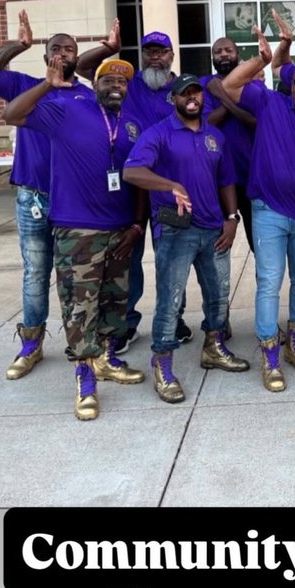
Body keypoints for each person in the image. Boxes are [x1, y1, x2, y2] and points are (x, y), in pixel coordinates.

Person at [0, 10, 120, 380]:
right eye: (55, 48)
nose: (62, 53)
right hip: (35, 198)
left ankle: (91, 348)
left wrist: (105, 50)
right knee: (36, 273)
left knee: (78, 280)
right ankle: (32, 343)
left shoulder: (88, 96)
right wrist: (18, 45)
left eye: (69, 49)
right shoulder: (25, 86)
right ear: (45, 55)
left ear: (76, 56)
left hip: (76, 203)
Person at [2, 58, 146, 420]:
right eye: (108, 80)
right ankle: (85, 375)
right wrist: (46, 85)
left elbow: (140, 177)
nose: (116, 85)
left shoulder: (131, 125)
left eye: (122, 81)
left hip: (120, 228)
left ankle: (106, 359)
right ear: (94, 85)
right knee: (80, 308)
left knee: (114, 301)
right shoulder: (66, 110)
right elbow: (12, 114)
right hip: (78, 227)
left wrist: (136, 226)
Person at [123, 75, 249, 404]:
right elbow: (132, 171)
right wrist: (171, 186)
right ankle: (162, 365)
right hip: (175, 231)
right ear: (173, 99)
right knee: (170, 301)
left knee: (218, 296)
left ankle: (213, 348)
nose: (192, 98)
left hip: (213, 229)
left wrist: (232, 218)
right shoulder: (158, 133)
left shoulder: (214, 136)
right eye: (184, 94)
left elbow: (226, 180)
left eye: (196, 93)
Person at [221, 29, 295, 392]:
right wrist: (261, 61)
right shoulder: (271, 104)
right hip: (268, 211)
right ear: (290, 84)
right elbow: (230, 86)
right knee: (269, 282)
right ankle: (269, 354)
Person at [119, 30, 192, 349]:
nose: (155, 57)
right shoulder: (129, 84)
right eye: (149, 51)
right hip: (132, 185)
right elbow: (85, 70)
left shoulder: (183, 89)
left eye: (161, 52)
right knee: (129, 256)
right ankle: (126, 322)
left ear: (171, 55)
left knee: (171, 258)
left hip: (169, 189)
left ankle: (174, 319)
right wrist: (110, 48)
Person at [200, 36, 261, 253]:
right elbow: (207, 123)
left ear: (238, 55)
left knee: (260, 247)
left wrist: (223, 94)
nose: (224, 55)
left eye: (228, 50)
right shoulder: (204, 85)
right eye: (218, 52)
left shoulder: (252, 84)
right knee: (218, 247)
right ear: (212, 58)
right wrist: (231, 99)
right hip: (217, 179)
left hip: (250, 177)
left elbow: (254, 121)